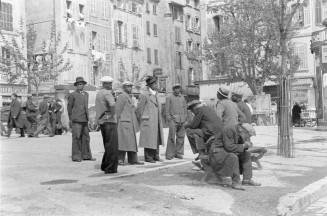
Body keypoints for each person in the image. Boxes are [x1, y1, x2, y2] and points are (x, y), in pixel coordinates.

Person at [221, 123, 261, 189]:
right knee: (234, 156)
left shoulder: (239, 132)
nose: (248, 138)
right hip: (220, 151)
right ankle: (235, 182)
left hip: (227, 151)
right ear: (243, 130)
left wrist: (247, 145)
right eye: (248, 136)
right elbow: (228, 147)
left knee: (246, 154)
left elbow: (239, 145)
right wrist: (243, 145)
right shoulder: (229, 130)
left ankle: (246, 180)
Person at [136, 76, 165, 163]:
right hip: (148, 120)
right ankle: (149, 157)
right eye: (155, 83)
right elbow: (139, 109)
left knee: (156, 138)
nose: (157, 85)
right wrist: (143, 118)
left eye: (157, 83)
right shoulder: (144, 94)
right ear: (150, 85)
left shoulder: (156, 94)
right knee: (149, 139)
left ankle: (156, 155)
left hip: (156, 120)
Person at [67, 77, 95, 162]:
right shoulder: (73, 95)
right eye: (78, 84)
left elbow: (86, 107)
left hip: (84, 119)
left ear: (84, 85)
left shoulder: (86, 94)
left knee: (86, 138)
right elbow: (69, 107)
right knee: (76, 137)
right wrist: (71, 119)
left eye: (82, 84)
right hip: (76, 120)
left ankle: (86, 155)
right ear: (76, 85)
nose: (80, 85)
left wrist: (88, 118)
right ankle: (76, 156)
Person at [115, 81, 144, 165]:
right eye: (127, 87)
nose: (130, 88)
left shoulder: (129, 97)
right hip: (123, 123)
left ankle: (133, 159)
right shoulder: (122, 96)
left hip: (130, 123)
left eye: (131, 87)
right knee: (122, 142)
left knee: (132, 142)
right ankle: (120, 159)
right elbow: (117, 111)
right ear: (124, 88)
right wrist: (116, 123)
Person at [95, 76, 118, 173]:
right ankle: (110, 168)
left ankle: (105, 165)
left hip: (102, 121)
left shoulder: (100, 93)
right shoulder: (107, 93)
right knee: (112, 146)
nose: (110, 85)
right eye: (109, 84)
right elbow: (112, 104)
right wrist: (112, 114)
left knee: (107, 144)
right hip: (109, 121)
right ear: (105, 84)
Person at [164, 83, 187, 160]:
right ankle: (169, 154)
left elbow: (185, 109)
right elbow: (166, 110)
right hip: (173, 120)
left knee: (181, 137)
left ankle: (179, 153)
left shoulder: (182, 98)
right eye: (175, 88)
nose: (177, 90)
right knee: (171, 137)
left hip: (182, 120)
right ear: (173, 89)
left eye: (178, 88)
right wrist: (169, 119)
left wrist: (185, 118)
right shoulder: (169, 97)